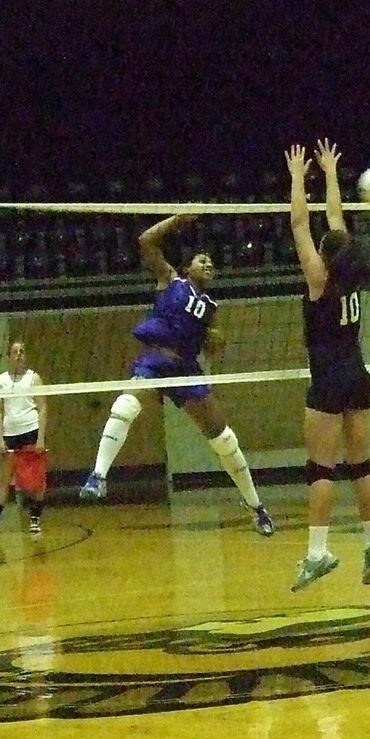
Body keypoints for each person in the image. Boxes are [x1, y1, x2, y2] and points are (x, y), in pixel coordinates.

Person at [79, 215, 274, 537]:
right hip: (156, 361)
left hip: (185, 370)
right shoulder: (171, 281)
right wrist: (178, 220)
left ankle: (256, 507)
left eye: (211, 261)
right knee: (126, 404)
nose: (208, 263)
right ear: (187, 268)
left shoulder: (210, 307)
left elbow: (207, 345)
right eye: (201, 259)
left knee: (224, 439)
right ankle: (98, 476)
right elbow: (145, 241)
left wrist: (214, 343)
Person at [285, 139, 370, 592]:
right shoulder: (351, 275)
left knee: (321, 470)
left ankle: (317, 553)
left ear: (324, 256)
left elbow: (299, 222)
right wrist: (329, 174)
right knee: (362, 466)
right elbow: (333, 221)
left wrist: (296, 176)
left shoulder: (319, 279)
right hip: (358, 377)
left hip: (327, 382)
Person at [0, 339, 48, 536]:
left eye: (22, 351)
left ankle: (35, 518)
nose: (19, 354)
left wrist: (40, 438)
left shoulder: (33, 378)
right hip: (10, 436)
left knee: (35, 480)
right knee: (3, 480)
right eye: (15, 352)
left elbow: (43, 407)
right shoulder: (2, 380)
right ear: (9, 357)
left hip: (30, 432)